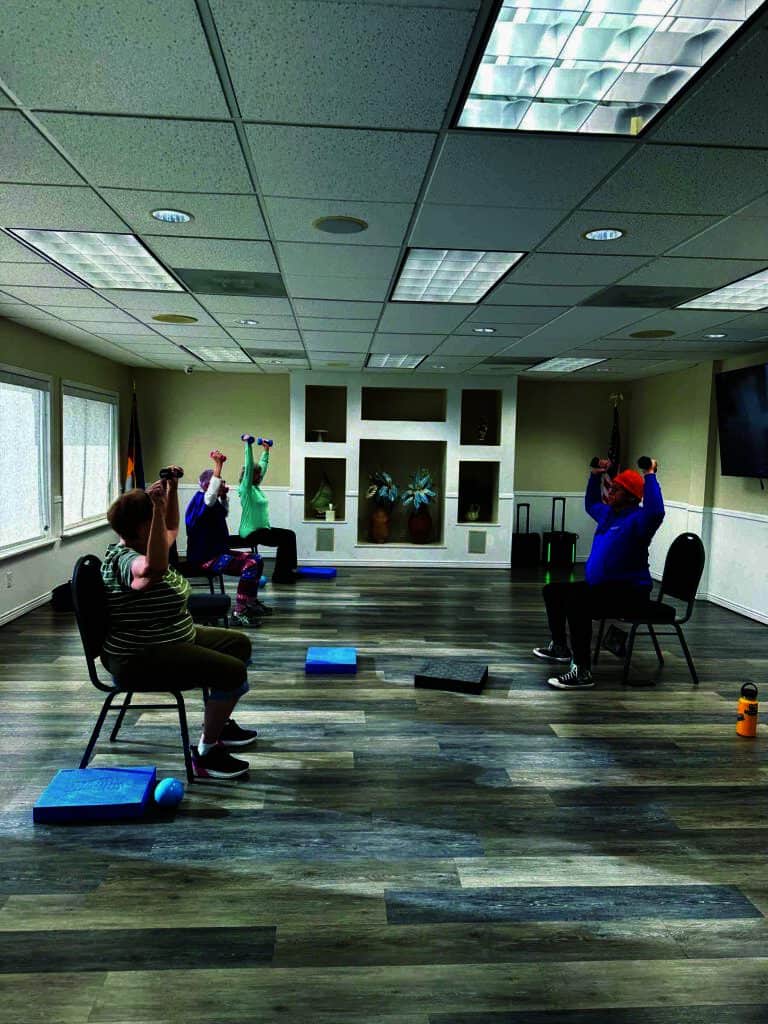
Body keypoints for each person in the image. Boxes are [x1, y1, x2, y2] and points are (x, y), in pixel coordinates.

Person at [101, 470, 257, 779]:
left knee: (239, 644)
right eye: (153, 520)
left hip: (173, 637)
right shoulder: (124, 559)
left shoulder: (146, 543)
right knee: (232, 673)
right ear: (143, 526)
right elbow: (154, 567)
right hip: (140, 655)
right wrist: (157, 508)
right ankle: (207, 753)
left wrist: (170, 491)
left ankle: (219, 723)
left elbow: (171, 528)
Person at [533, 457, 665, 690]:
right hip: (602, 588)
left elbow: (656, 511)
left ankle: (582, 670)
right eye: (611, 487)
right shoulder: (608, 514)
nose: (610, 492)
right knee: (552, 590)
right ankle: (560, 647)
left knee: (577, 602)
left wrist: (650, 474)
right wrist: (595, 475)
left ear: (632, 497)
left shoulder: (640, 520)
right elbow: (591, 502)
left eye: (617, 489)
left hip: (630, 592)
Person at [185, 449, 271, 628]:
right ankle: (238, 612)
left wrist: (223, 497)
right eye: (220, 482)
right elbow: (210, 498)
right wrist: (218, 465)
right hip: (205, 558)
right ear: (210, 484)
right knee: (250, 564)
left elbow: (222, 511)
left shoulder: (212, 502)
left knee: (257, 559)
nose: (225, 484)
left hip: (218, 552)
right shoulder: (201, 499)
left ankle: (250, 602)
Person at [237, 435, 298, 584]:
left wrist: (266, 451)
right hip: (250, 532)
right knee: (284, 539)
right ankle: (280, 576)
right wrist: (248, 446)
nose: (259, 476)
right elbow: (250, 466)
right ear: (250, 475)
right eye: (256, 474)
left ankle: (288, 571)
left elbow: (262, 467)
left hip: (262, 529)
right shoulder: (246, 490)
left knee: (289, 535)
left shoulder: (256, 488)